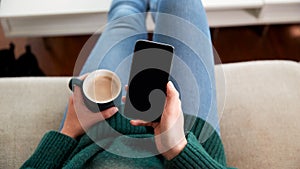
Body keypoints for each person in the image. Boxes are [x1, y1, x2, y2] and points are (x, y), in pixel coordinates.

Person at [21, 0, 235, 168]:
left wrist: (67, 132)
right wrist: (177, 148)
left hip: (94, 135)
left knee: (125, 13)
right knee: (183, 3)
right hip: (187, 139)